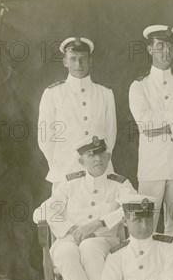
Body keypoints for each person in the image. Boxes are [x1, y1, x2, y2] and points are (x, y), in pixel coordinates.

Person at [33, 135, 137, 280]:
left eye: (101, 154)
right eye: (91, 155)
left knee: (89, 249)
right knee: (65, 253)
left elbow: (134, 207)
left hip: (104, 241)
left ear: (108, 157)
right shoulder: (70, 183)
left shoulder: (119, 184)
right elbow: (40, 212)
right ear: (81, 161)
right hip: (69, 238)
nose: (97, 159)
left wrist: (99, 223)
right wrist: (71, 228)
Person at [129, 25, 173, 240]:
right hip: (152, 167)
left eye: (169, 46)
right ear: (150, 49)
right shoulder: (139, 86)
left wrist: (161, 128)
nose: (165, 51)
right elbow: (144, 121)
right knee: (143, 222)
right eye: (160, 46)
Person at [38, 36, 117, 187]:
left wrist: (97, 164)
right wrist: (60, 164)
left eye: (83, 59)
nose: (78, 64)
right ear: (65, 62)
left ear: (90, 61)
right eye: (73, 59)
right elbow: (45, 138)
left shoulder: (105, 93)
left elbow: (110, 135)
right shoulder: (53, 93)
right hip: (65, 172)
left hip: (99, 173)